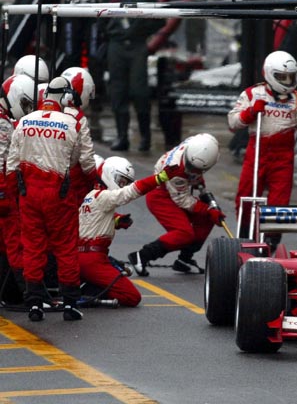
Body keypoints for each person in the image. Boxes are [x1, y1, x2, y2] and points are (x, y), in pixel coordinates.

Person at [6, 77, 96, 322]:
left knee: (32, 248)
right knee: (65, 248)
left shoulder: (24, 122)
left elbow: (12, 165)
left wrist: (17, 194)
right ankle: (70, 304)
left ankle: (35, 304)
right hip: (59, 194)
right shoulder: (71, 123)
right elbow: (81, 161)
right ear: (65, 97)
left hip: (29, 194)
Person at [228, 51, 297, 246]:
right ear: (269, 73)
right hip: (257, 150)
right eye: (282, 77)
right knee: (246, 196)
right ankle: (245, 236)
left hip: (283, 156)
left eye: (290, 77)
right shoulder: (252, 94)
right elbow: (233, 122)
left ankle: (271, 241)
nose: (287, 81)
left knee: (279, 203)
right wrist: (250, 112)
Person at [79, 156, 179, 306]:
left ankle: (87, 291)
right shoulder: (103, 196)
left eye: (125, 183)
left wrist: (117, 221)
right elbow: (131, 192)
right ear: (109, 173)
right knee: (132, 297)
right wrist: (160, 178)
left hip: (80, 256)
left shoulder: (88, 197)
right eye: (121, 181)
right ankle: (90, 298)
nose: (122, 186)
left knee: (120, 270)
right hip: (93, 260)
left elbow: (90, 222)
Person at [128, 133, 225, 276]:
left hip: (174, 192)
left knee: (206, 219)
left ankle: (184, 259)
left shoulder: (201, 143)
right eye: (190, 166)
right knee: (184, 233)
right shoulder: (177, 170)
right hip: (160, 197)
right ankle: (142, 255)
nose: (190, 169)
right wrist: (209, 209)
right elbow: (183, 200)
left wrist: (203, 193)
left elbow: (195, 177)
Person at [100, 0, 164, 152]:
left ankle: (145, 136)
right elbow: (100, 22)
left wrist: (141, 31)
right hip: (116, 46)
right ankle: (122, 137)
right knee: (117, 91)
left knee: (140, 92)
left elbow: (160, 20)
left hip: (137, 46)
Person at [0, 74, 36, 302]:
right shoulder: (3, 124)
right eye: (25, 103)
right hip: (4, 193)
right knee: (15, 244)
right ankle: (27, 293)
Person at [58, 67, 97, 207]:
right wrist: (96, 182)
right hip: (69, 181)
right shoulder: (78, 118)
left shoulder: (42, 110)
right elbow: (86, 159)